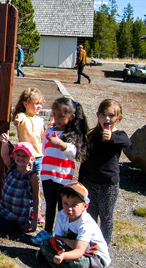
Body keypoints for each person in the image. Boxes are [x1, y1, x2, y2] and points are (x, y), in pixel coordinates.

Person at [32, 98, 89, 245]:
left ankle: (61, 233)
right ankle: (47, 230)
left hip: (62, 177)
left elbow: (74, 151)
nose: (57, 118)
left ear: (71, 117)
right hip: (47, 174)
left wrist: (61, 144)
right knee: (49, 204)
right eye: (55, 114)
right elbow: (44, 149)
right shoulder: (50, 131)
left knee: (62, 207)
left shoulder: (72, 134)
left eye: (61, 116)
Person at [79, 99, 130, 244]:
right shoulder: (92, 135)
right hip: (90, 182)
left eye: (111, 116)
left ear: (118, 118)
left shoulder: (119, 136)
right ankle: (89, 242)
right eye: (103, 115)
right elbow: (85, 160)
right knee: (90, 214)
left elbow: (127, 143)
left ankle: (104, 246)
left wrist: (111, 137)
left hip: (108, 184)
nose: (107, 119)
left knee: (106, 216)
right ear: (97, 115)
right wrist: (81, 181)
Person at [37, 182, 111, 268]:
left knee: (80, 264)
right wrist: (67, 244)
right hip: (71, 247)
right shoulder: (62, 215)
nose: (69, 208)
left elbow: (79, 250)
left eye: (74, 205)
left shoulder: (85, 222)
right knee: (46, 244)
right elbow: (57, 238)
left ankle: (56, 261)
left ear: (85, 206)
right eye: (65, 203)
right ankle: (59, 262)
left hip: (94, 257)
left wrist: (64, 255)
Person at [0, 135, 40, 233]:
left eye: (25, 155)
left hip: (16, 216)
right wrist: (4, 142)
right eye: (18, 155)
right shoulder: (12, 168)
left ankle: (17, 226)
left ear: (32, 159)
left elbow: (35, 197)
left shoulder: (31, 176)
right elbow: (4, 155)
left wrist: (35, 220)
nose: (21, 158)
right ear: (14, 156)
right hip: (2, 209)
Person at [13, 88, 45, 176]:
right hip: (26, 155)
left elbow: (44, 135)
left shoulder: (40, 120)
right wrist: (17, 121)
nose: (39, 106)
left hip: (38, 155)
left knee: (37, 179)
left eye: (40, 104)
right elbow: (18, 118)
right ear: (26, 104)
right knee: (25, 177)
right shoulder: (22, 116)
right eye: (36, 103)